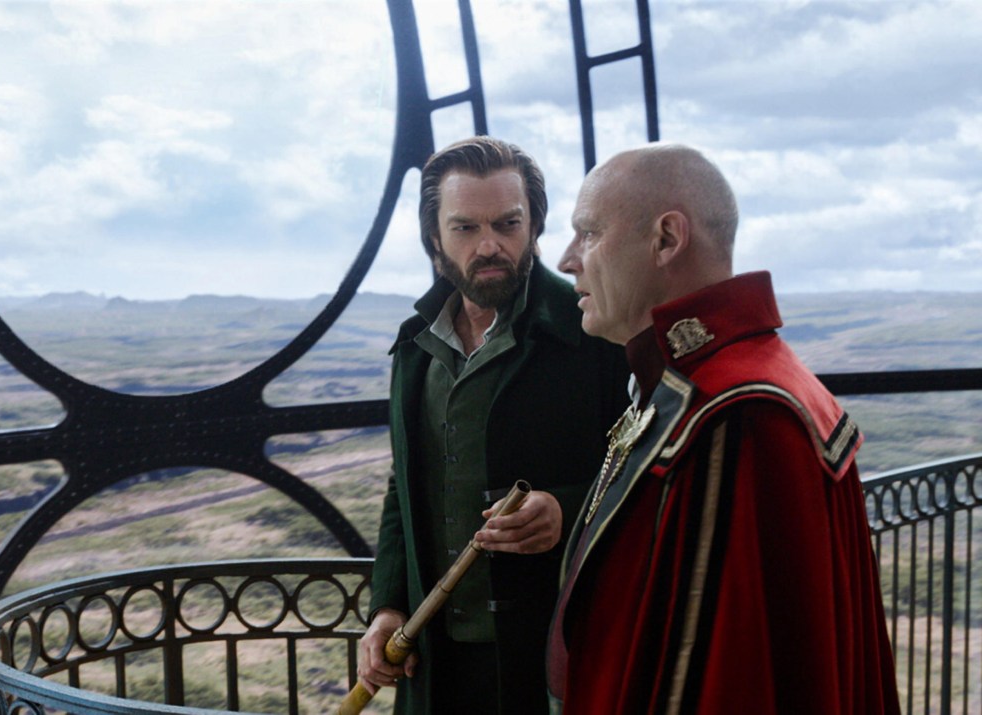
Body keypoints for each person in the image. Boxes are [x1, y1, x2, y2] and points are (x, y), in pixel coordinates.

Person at [547, 143, 901, 714]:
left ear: (667, 239)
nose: (567, 260)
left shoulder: (737, 414)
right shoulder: (709, 386)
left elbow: (730, 679)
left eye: (588, 233)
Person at [358, 136, 630, 714]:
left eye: (508, 224)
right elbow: (404, 488)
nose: (489, 246)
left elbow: (652, 478)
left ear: (535, 226)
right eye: (465, 228)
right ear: (435, 238)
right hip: (433, 662)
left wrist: (566, 511)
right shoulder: (415, 345)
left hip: (555, 654)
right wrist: (387, 607)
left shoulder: (596, 334)